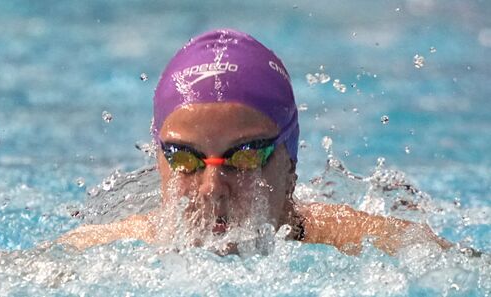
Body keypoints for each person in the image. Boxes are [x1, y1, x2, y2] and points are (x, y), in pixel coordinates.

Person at [59, 29, 451, 255]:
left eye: (245, 156)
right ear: (159, 163)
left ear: (291, 164)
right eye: (185, 159)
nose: (212, 189)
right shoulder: (105, 251)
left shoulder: (372, 246)